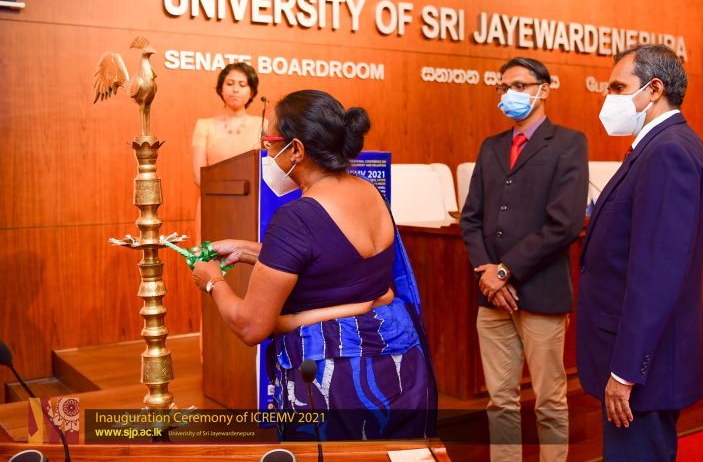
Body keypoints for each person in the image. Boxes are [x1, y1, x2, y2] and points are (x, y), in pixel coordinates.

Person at [190, 90, 437, 441]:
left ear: (296, 150)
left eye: (269, 142)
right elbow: (338, 263)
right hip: (396, 372)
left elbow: (251, 326)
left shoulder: (297, 218)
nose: (266, 152)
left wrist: (212, 281)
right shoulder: (370, 192)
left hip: (334, 382)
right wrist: (249, 251)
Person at [576, 44, 703, 461]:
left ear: (654, 89)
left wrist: (626, 371)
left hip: (640, 369)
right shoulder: (655, 146)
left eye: (618, 88)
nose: (608, 99)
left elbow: (656, 274)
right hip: (631, 358)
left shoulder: (669, 150)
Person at [460, 57, 588, 461]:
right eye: (503, 87)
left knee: (549, 402)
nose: (508, 94)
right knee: (500, 402)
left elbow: (564, 224)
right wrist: (489, 276)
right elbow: (471, 219)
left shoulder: (569, 143)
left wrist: (504, 270)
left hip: (541, 293)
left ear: (544, 89)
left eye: (518, 85)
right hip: (491, 297)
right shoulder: (491, 146)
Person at [191, 62, 266, 240]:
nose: (235, 90)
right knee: (212, 255)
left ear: (252, 91)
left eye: (242, 84)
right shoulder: (204, 125)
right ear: (221, 89)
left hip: (251, 208)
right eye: (230, 83)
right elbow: (198, 176)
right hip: (213, 204)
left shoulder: (263, 125)